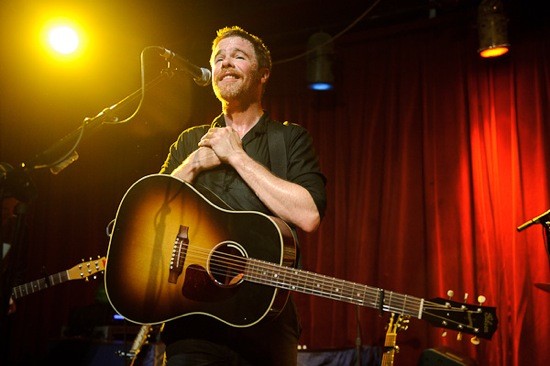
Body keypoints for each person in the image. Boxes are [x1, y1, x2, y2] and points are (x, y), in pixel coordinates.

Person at [158, 26, 327, 366]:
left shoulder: (290, 139)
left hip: (266, 321)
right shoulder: (191, 141)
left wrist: (236, 156)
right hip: (192, 319)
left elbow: (308, 215)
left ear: (263, 74)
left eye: (238, 56)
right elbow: (148, 210)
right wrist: (191, 166)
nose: (226, 64)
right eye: (219, 59)